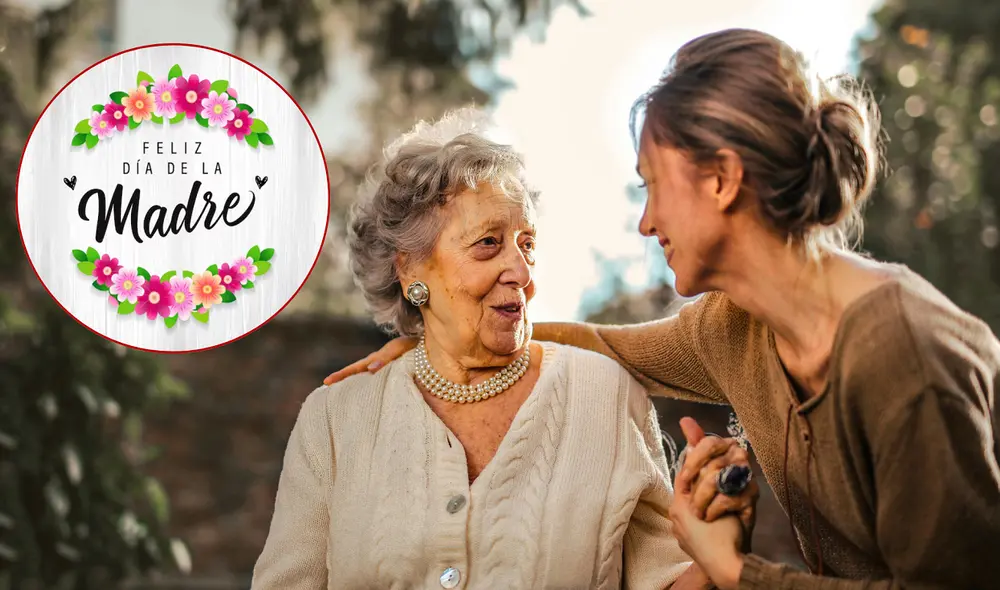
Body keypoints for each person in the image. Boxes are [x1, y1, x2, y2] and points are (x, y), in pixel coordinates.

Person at [323, 29, 1000, 590]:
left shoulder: (904, 354)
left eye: (652, 187)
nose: (646, 223)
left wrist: (732, 569)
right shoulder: (735, 328)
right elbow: (604, 346)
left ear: (721, 179)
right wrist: (441, 342)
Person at [252, 109, 738, 589]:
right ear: (411, 270)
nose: (522, 272)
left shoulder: (605, 396)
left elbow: (664, 580)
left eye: (526, 244)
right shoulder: (335, 420)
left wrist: (717, 557)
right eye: (488, 243)